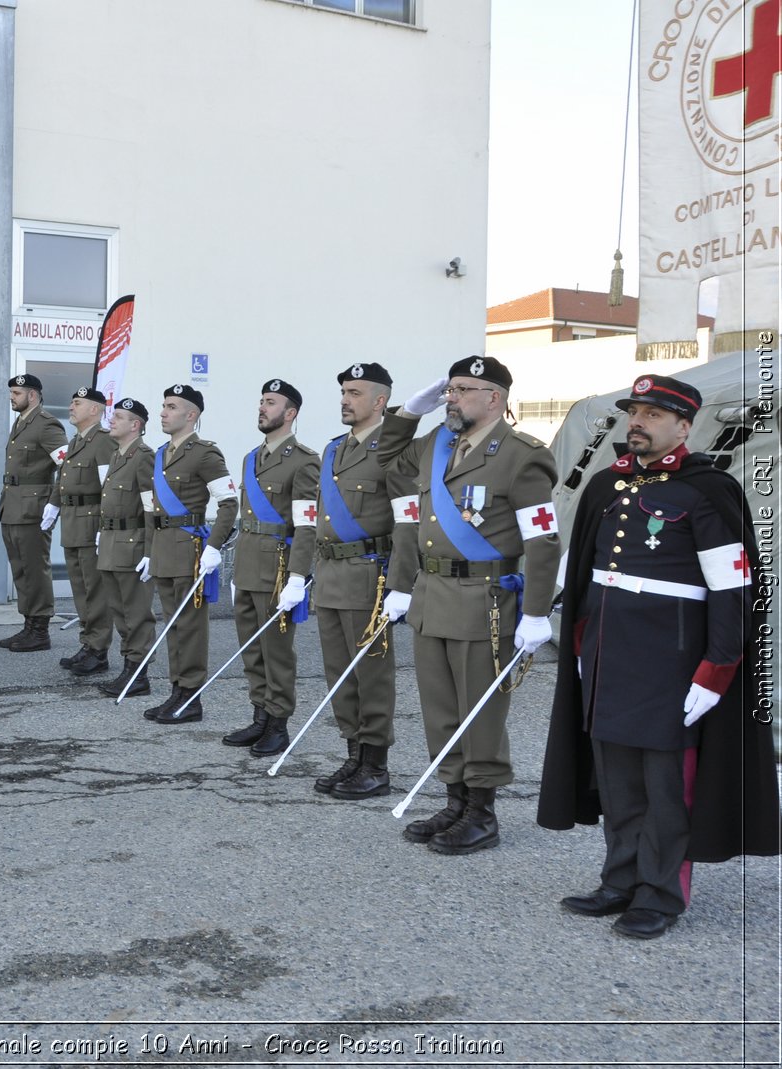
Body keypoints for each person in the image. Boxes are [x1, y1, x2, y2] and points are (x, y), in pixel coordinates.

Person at [537, 374, 779, 939]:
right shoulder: (604, 486)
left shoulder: (707, 490)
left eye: (652, 413)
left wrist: (717, 670)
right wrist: (578, 650)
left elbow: (733, 590)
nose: (637, 422)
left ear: (684, 426)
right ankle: (620, 880)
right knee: (617, 779)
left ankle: (661, 894)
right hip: (607, 658)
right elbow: (582, 581)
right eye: (633, 411)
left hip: (670, 661)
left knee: (668, 787)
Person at [376, 355, 561, 855]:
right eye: (450, 389)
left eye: (461, 389)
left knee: (479, 713)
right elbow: (383, 460)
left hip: (486, 602)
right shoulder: (438, 446)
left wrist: (537, 612)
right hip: (432, 597)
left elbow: (543, 540)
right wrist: (409, 413)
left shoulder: (522, 455)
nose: (450, 398)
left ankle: (482, 813)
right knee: (440, 711)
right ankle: (454, 800)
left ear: (493, 397)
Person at [304, 363, 414, 797]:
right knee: (339, 674)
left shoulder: (392, 452)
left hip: (371, 576)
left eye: (354, 392)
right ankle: (353, 756)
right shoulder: (335, 450)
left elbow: (409, 521)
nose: (345, 400)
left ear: (380, 401)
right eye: (343, 392)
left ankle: (376, 765)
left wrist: (400, 584)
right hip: (330, 574)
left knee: (371, 675)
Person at [224, 380, 318, 754]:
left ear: (290, 413)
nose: (261, 408)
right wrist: (235, 572)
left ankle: (278, 724)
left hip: (278, 571)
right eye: (261, 401)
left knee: (276, 652)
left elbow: (307, 524)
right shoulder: (251, 458)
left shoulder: (304, 461)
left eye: (270, 402)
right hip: (247, 566)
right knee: (251, 649)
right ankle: (259, 717)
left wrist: (298, 577)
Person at [142, 384, 238, 724]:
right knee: (172, 625)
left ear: (191, 415)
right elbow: (152, 509)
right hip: (164, 549)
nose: (163, 412)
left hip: (190, 551)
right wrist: (148, 550)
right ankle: (176, 691)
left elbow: (228, 504)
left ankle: (191, 697)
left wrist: (214, 546)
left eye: (171, 406)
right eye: (163, 405)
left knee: (191, 627)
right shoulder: (159, 454)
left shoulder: (204, 454)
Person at [45, 386, 119, 676]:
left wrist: (105, 525)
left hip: (90, 522)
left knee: (95, 590)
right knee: (81, 589)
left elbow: (109, 488)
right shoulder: (76, 441)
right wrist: (53, 505)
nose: (71, 407)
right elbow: (62, 478)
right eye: (72, 402)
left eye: (77, 403)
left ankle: (98, 650)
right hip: (73, 521)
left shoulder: (102, 442)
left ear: (95, 409)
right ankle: (88, 643)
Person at [0, 373, 67, 653]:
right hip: (12, 505)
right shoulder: (21, 422)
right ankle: (29, 625)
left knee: (35, 569)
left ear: (33, 395)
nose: (12, 397)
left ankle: (40, 631)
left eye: (16, 393)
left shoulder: (46, 424)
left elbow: (67, 466)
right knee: (21, 568)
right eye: (12, 392)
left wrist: (54, 501)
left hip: (33, 507)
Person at [96, 398, 158, 698]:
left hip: (132, 545)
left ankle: (138, 673)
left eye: (119, 417)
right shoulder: (118, 455)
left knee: (136, 613)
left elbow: (151, 507)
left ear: (135, 425)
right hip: (110, 543)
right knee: (119, 612)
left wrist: (150, 550)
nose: (111, 420)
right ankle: (128, 667)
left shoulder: (143, 457)